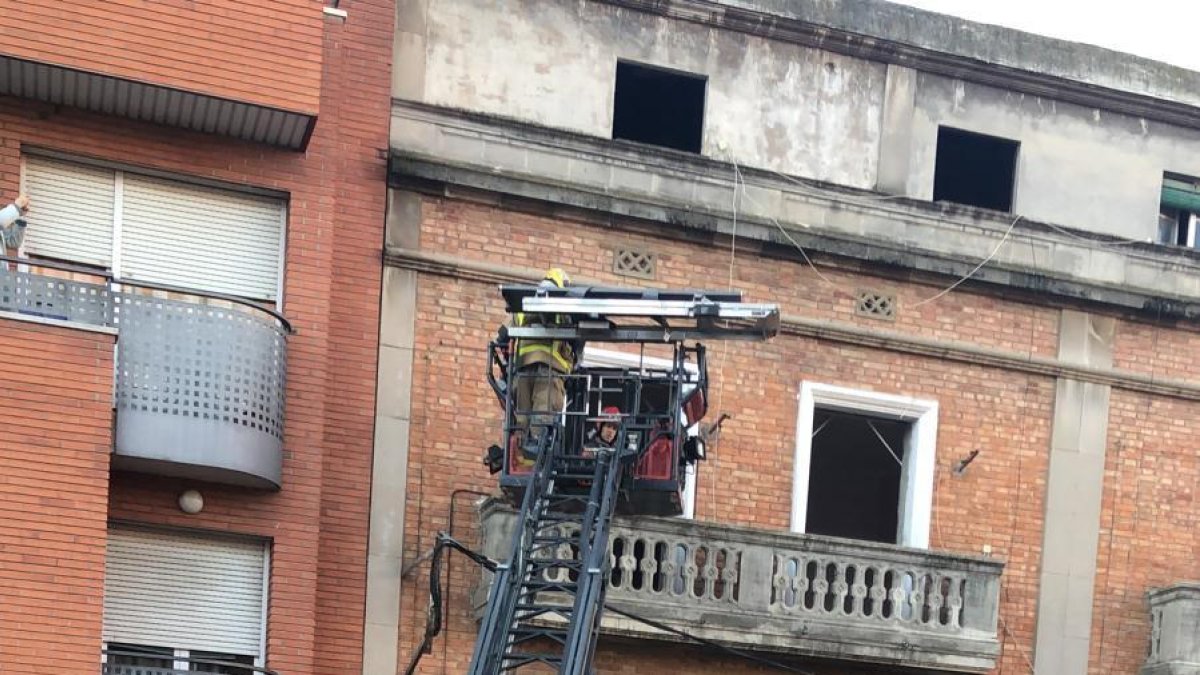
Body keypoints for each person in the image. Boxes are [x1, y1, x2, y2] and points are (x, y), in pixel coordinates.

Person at [513, 267, 579, 462]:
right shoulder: (563, 306)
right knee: (541, 422)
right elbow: (574, 336)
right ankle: (537, 463)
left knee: (522, 421)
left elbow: (502, 335)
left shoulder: (522, 307)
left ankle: (524, 463)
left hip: (523, 370)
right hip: (549, 371)